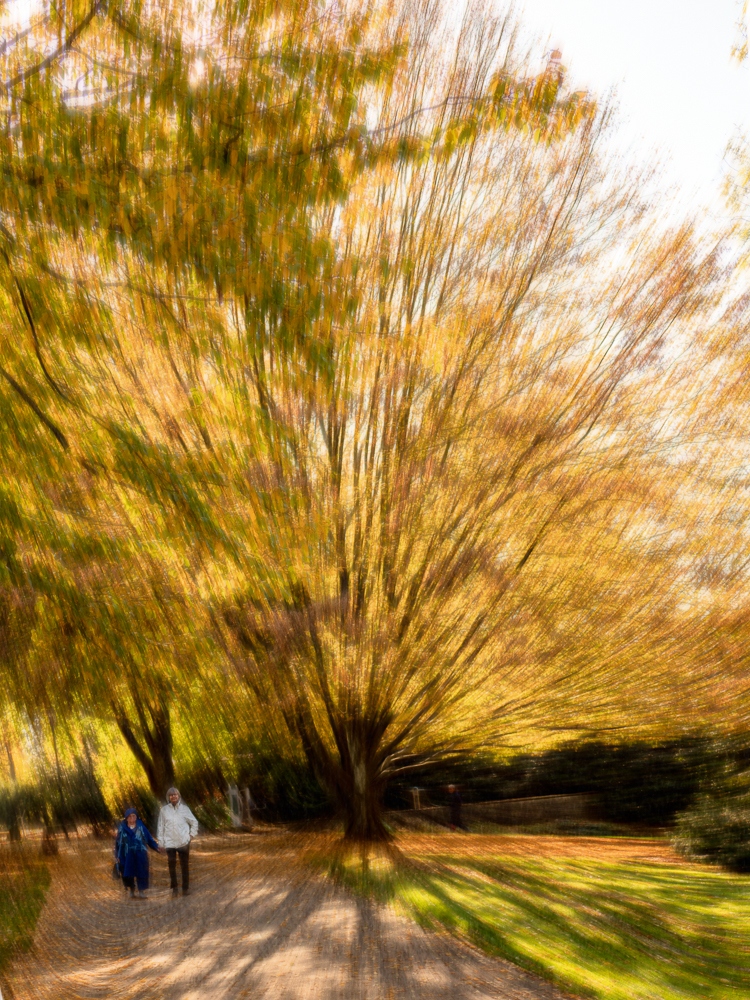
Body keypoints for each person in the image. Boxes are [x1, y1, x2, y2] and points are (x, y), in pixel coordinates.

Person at [157, 787, 199, 897]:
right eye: (171, 795)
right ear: (168, 797)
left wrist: (191, 836)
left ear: (178, 796)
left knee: (184, 866)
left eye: (175, 794)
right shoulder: (164, 810)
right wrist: (161, 843)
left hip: (183, 843)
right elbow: (160, 827)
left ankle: (185, 889)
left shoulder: (185, 809)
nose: (173, 796)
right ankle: (174, 889)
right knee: (172, 867)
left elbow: (194, 822)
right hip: (170, 844)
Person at [114, 807, 162, 899]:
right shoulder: (122, 829)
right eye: (129, 817)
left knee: (142, 872)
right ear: (126, 818)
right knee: (127, 873)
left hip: (140, 853)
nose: (132, 818)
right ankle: (131, 890)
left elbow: (149, 840)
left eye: (133, 816)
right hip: (126, 854)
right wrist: (117, 856)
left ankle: (141, 892)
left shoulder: (141, 827)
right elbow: (117, 843)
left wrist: (157, 847)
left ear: (136, 817)